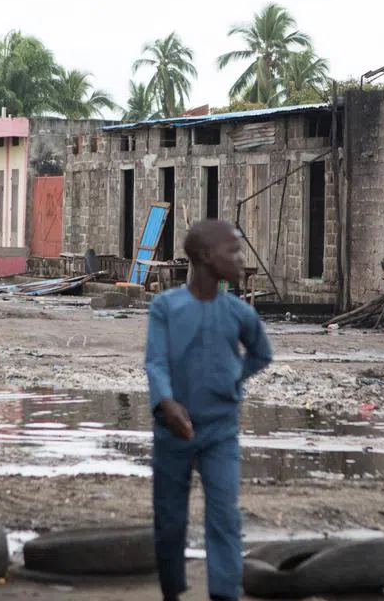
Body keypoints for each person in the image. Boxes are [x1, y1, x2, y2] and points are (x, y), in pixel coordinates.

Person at [145, 219, 273, 601]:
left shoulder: (239, 313)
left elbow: (262, 354)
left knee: (225, 517)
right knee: (170, 521)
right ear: (204, 257)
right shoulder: (166, 307)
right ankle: (172, 590)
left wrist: (234, 377)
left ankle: (224, 594)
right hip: (172, 429)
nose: (239, 259)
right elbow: (156, 362)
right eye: (232, 251)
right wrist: (166, 401)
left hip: (221, 430)